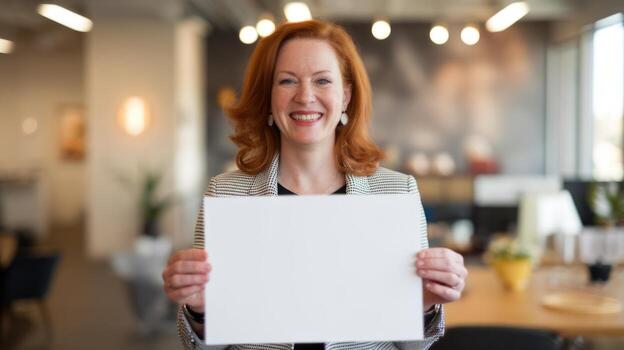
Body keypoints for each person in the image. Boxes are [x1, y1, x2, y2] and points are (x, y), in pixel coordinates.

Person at [162, 19, 467, 350]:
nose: (305, 96)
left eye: (322, 80)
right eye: (287, 81)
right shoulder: (225, 194)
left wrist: (422, 304)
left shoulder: (397, 192)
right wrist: (199, 310)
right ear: (268, 97)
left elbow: (412, 346)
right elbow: (207, 346)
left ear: (346, 96)